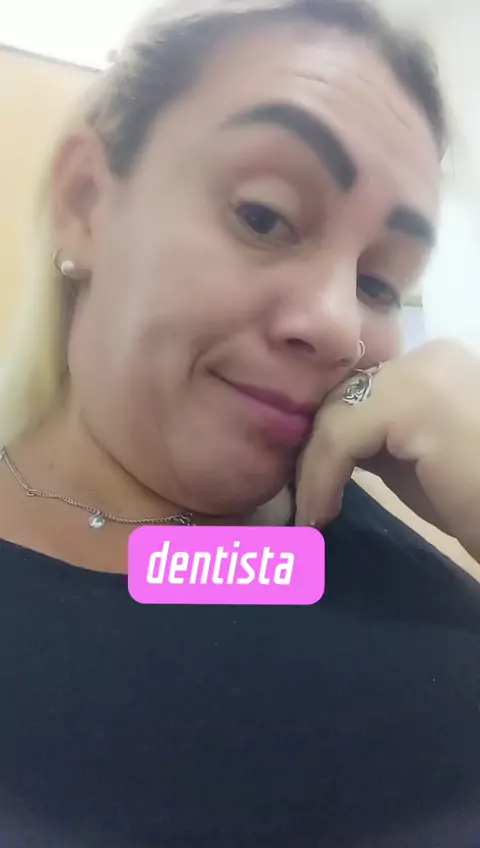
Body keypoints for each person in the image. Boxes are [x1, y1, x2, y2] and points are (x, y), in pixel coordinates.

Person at [0, 0, 479, 845]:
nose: (338, 327)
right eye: (264, 215)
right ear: (85, 202)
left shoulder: (384, 538)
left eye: (379, 282)